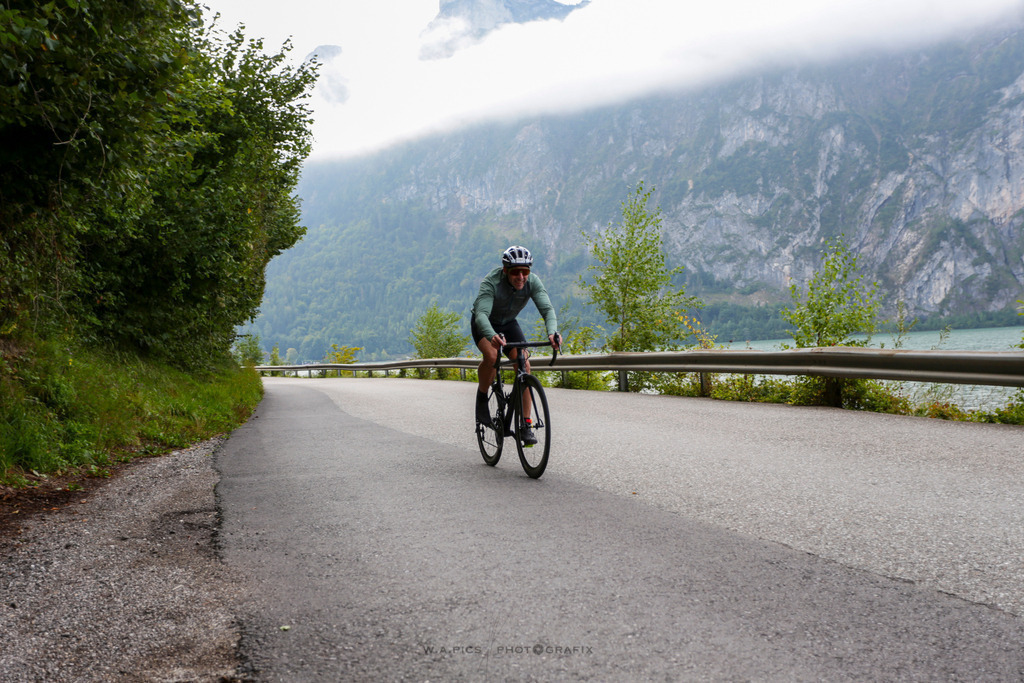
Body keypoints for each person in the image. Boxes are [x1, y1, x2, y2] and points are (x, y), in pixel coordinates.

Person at [471, 245, 561, 445]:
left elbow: (547, 309)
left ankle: (525, 425)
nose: (521, 277)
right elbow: (481, 316)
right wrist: (491, 335)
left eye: (525, 272)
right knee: (493, 356)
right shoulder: (491, 283)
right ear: (505, 271)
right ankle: (482, 396)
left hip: (509, 323)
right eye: (515, 272)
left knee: (524, 365)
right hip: (485, 324)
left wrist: (553, 332)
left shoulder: (533, 282)